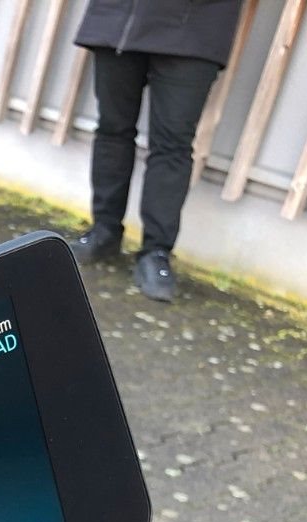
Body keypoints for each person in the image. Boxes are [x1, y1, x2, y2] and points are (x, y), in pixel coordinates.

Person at [68, 0, 244, 302]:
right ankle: (104, 231)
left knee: (172, 145)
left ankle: (156, 252)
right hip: (119, 17)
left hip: (197, 24)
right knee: (112, 129)